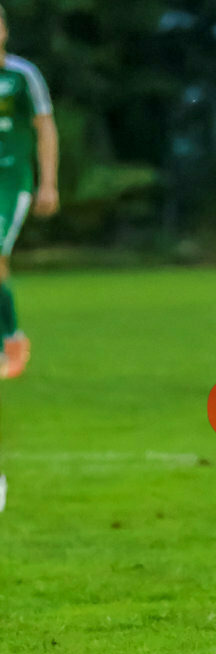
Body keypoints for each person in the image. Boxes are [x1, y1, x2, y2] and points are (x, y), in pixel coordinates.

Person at [0, 4, 58, 379]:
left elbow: (45, 127)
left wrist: (48, 182)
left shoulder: (22, 75)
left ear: (4, 31)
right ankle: (11, 337)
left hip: (10, 181)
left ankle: (9, 342)